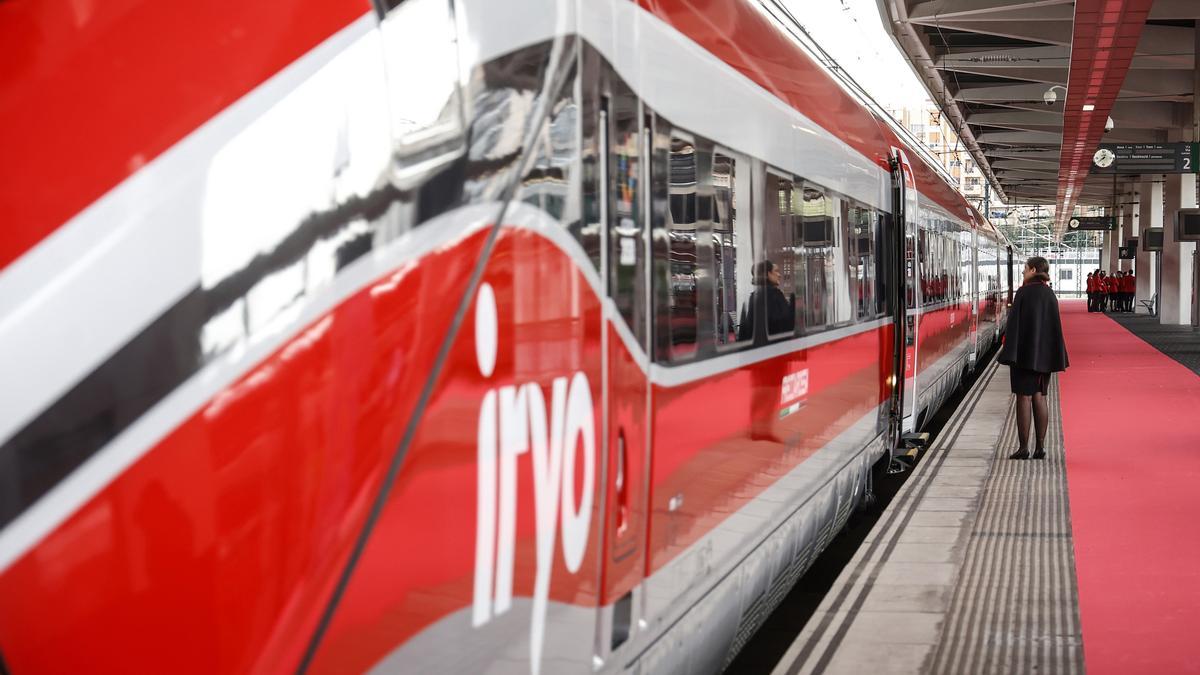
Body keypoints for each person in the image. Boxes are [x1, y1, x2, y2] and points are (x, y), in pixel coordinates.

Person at [998, 256, 1070, 460]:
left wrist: (1008, 352)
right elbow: (1054, 327)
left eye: (1025, 269)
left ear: (1033, 270)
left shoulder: (1023, 292)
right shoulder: (1049, 294)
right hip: (1044, 356)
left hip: (1023, 355)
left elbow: (1013, 325)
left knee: (1023, 397)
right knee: (1040, 395)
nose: (1023, 272)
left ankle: (1023, 448)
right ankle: (1040, 447)